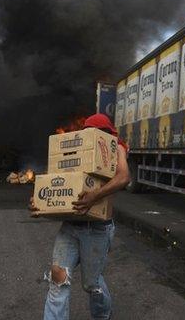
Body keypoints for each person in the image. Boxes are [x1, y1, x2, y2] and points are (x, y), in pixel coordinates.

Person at [30, 113, 130, 320]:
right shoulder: (77, 151)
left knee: (92, 284)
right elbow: (59, 183)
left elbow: (124, 177)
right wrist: (40, 203)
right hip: (71, 226)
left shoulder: (115, 146)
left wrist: (94, 196)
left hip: (98, 229)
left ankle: (103, 315)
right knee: (58, 278)